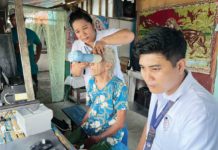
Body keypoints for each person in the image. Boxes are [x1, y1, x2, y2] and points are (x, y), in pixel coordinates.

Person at [136, 27, 218, 150]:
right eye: (143, 67)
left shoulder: (200, 111)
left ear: (180, 66)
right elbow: (150, 126)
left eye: (155, 69)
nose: (147, 77)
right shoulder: (159, 87)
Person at [71, 47, 128, 150]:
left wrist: (97, 138)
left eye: (95, 60)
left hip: (108, 135)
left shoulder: (119, 86)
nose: (91, 64)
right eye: (91, 60)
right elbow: (93, 106)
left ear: (108, 65)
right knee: (66, 142)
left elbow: (120, 123)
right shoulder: (92, 82)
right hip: (91, 127)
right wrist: (83, 123)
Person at [68, 8, 134, 87]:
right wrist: (79, 67)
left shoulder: (106, 35)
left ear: (92, 25)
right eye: (77, 31)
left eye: (85, 28)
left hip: (115, 88)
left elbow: (130, 35)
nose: (83, 34)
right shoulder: (77, 45)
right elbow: (74, 73)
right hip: (93, 92)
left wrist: (104, 41)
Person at [9, 8, 42, 93]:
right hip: (17, 71)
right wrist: (20, 47)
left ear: (23, 20)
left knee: (33, 91)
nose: (15, 22)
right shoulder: (9, 34)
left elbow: (39, 44)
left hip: (32, 68)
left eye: (17, 20)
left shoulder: (31, 33)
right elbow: (12, 51)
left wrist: (37, 56)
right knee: (20, 94)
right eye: (12, 20)